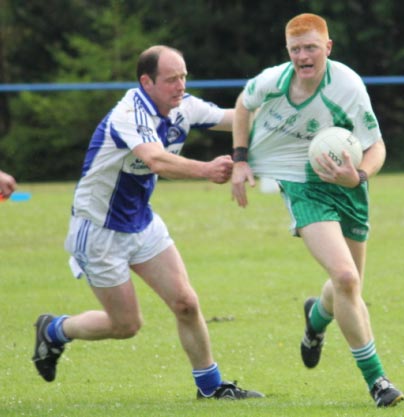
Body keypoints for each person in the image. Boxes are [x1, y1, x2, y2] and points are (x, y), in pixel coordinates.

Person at [32, 45, 264, 400]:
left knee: (186, 302)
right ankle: (55, 330)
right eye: (172, 79)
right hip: (98, 231)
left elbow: (236, 118)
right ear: (147, 82)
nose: (180, 85)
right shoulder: (129, 114)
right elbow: (157, 161)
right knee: (126, 325)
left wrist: (287, 111)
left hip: (141, 223)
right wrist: (207, 169)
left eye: (184, 76)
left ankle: (211, 387)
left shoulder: (182, 107)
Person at [231, 14, 404, 407]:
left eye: (311, 48)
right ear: (287, 52)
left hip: (347, 187)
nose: (303, 56)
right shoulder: (275, 80)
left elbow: (376, 147)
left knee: (349, 284)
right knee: (345, 276)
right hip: (301, 185)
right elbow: (244, 102)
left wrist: (357, 177)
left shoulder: (347, 86)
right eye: (295, 49)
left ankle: (315, 320)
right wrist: (240, 159)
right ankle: (378, 381)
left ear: (327, 47)